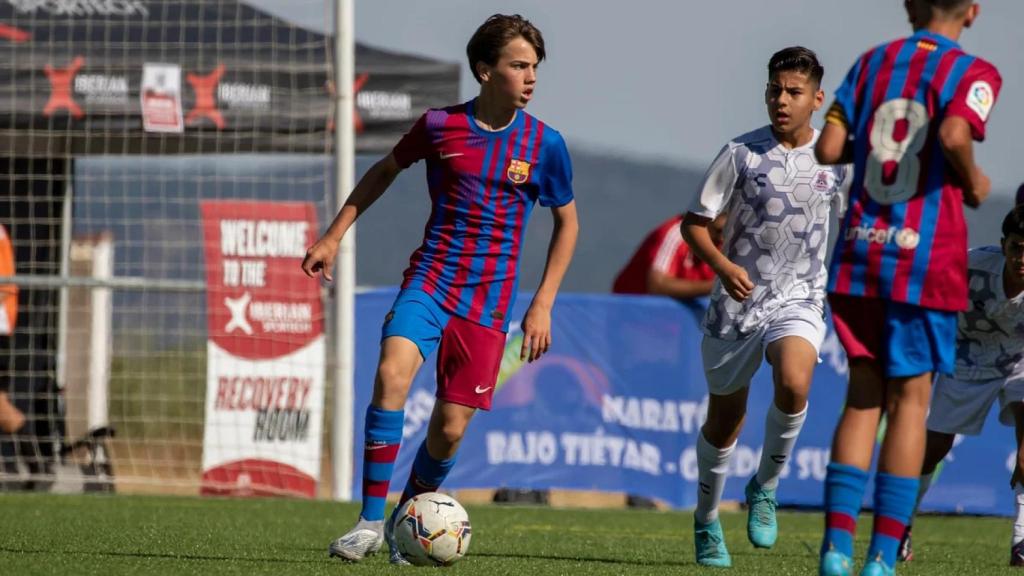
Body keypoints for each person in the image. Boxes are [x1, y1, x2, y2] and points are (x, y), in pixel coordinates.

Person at [301, 14, 578, 565]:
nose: (531, 78)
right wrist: (333, 236)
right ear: (484, 70)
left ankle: (410, 524)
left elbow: (567, 224)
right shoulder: (438, 126)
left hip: (489, 303)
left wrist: (542, 303)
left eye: (534, 68)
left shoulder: (545, 145)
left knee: (449, 430)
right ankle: (367, 525)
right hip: (430, 281)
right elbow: (384, 171)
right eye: (519, 65)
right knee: (390, 374)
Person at [814, 1, 1001, 574]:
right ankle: (881, 557)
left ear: (908, 5)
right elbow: (951, 131)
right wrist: (973, 180)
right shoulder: (973, 73)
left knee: (862, 397)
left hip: (862, 250)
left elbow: (826, 149)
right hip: (923, 257)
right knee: (911, 405)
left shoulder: (872, 62)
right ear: (971, 11)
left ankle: (835, 550)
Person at [680, 46, 848, 568]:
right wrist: (724, 267)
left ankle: (766, 487)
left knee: (795, 380)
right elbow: (694, 225)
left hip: (799, 298)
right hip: (736, 304)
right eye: (775, 90)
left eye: (794, 92)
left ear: (816, 99)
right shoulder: (740, 153)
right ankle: (707, 521)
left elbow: (859, 222)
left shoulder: (837, 159)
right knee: (725, 420)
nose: (782, 100)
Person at [897, 206, 1024, 566]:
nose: (1022, 258)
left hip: (1021, 360)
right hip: (966, 356)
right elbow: (922, 293)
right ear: (1003, 246)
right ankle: (900, 526)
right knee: (933, 448)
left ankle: (1022, 540)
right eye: (1016, 247)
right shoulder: (968, 266)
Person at [612, 213, 722, 300]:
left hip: (673, 322)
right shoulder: (675, 233)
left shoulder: (725, 243)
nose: (722, 239)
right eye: (719, 231)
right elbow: (657, 285)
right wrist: (717, 286)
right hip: (631, 317)